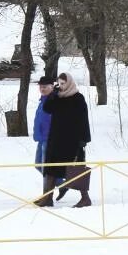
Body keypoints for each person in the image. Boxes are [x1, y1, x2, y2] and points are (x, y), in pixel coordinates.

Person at [39, 71, 93, 208]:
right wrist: (53, 94)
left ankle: (85, 198)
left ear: (69, 82)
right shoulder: (58, 97)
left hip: (72, 142)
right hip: (56, 141)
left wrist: (84, 139)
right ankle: (47, 198)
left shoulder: (78, 98)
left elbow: (84, 120)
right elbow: (47, 109)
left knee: (76, 171)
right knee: (51, 169)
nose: (61, 86)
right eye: (59, 83)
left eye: (63, 83)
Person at [31, 76, 54, 184]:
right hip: (41, 138)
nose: (42, 89)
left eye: (45, 87)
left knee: (46, 168)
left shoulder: (54, 100)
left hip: (50, 139)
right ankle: (62, 185)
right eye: (40, 87)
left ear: (52, 87)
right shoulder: (42, 101)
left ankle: (46, 196)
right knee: (38, 165)